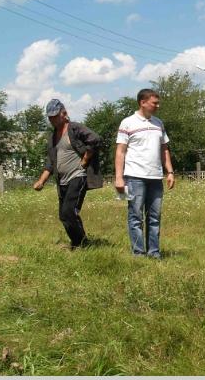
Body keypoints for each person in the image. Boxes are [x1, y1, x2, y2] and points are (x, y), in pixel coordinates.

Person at [33, 99, 103, 249]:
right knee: (64, 216)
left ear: (63, 113)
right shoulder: (53, 137)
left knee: (69, 212)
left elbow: (95, 139)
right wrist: (41, 181)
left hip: (77, 176)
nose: (52, 120)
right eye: (50, 117)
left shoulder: (75, 128)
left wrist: (85, 160)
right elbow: (50, 163)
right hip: (62, 181)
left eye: (55, 116)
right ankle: (79, 243)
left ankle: (81, 244)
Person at [114, 89, 175, 259]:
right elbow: (120, 151)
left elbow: (164, 149)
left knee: (154, 217)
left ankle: (154, 253)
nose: (158, 106)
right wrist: (119, 178)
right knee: (136, 216)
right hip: (134, 177)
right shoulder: (127, 123)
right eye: (154, 103)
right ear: (142, 102)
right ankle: (138, 254)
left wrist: (170, 172)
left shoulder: (159, 123)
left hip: (155, 177)